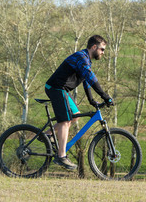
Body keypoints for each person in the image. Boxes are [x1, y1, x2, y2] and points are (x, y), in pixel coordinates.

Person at [44, 35, 113, 171]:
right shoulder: (81, 57)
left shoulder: (86, 60)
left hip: (62, 89)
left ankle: (47, 135)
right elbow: (91, 78)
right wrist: (105, 96)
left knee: (75, 116)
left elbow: (86, 80)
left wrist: (92, 100)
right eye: (102, 49)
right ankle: (61, 156)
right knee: (65, 121)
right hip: (56, 88)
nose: (103, 53)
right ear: (94, 47)